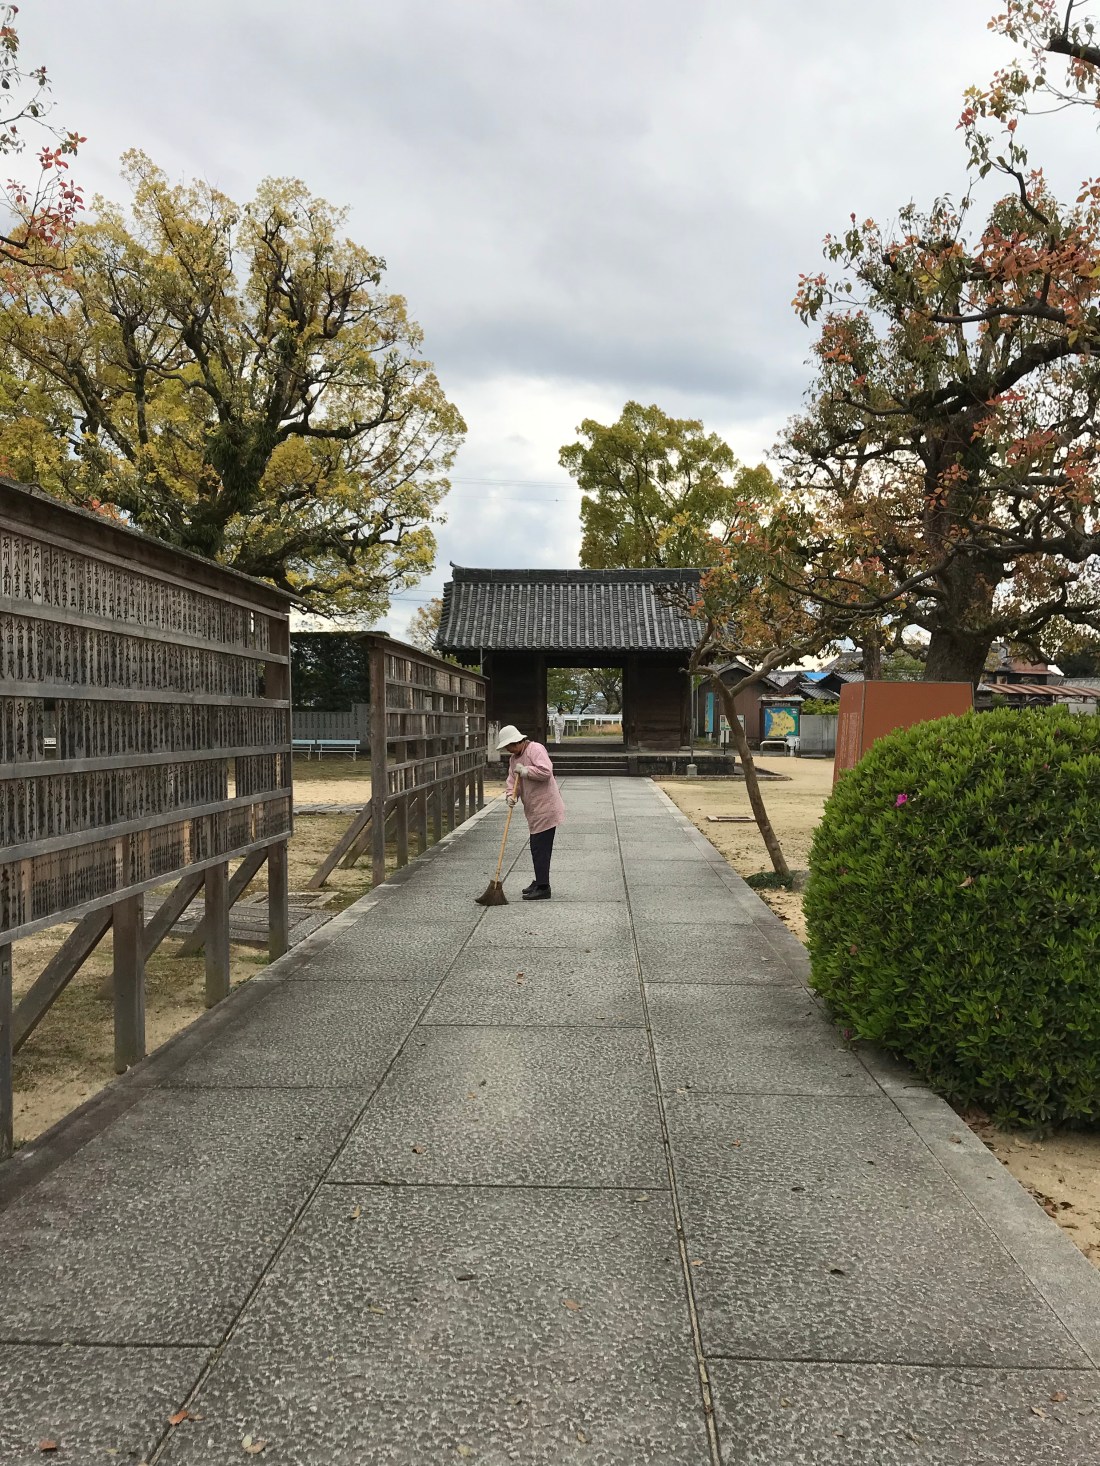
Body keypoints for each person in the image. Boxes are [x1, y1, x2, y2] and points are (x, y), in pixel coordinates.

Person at [496, 723, 565, 900]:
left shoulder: (535, 749)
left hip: (546, 806)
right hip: (533, 808)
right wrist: (511, 796)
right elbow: (512, 781)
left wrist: (526, 771)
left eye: (509, 746)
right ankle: (540, 880)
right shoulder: (514, 759)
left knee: (540, 847)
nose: (508, 750)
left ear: (517, 741)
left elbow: (546, 771)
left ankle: (543, 886)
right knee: (536, 847)